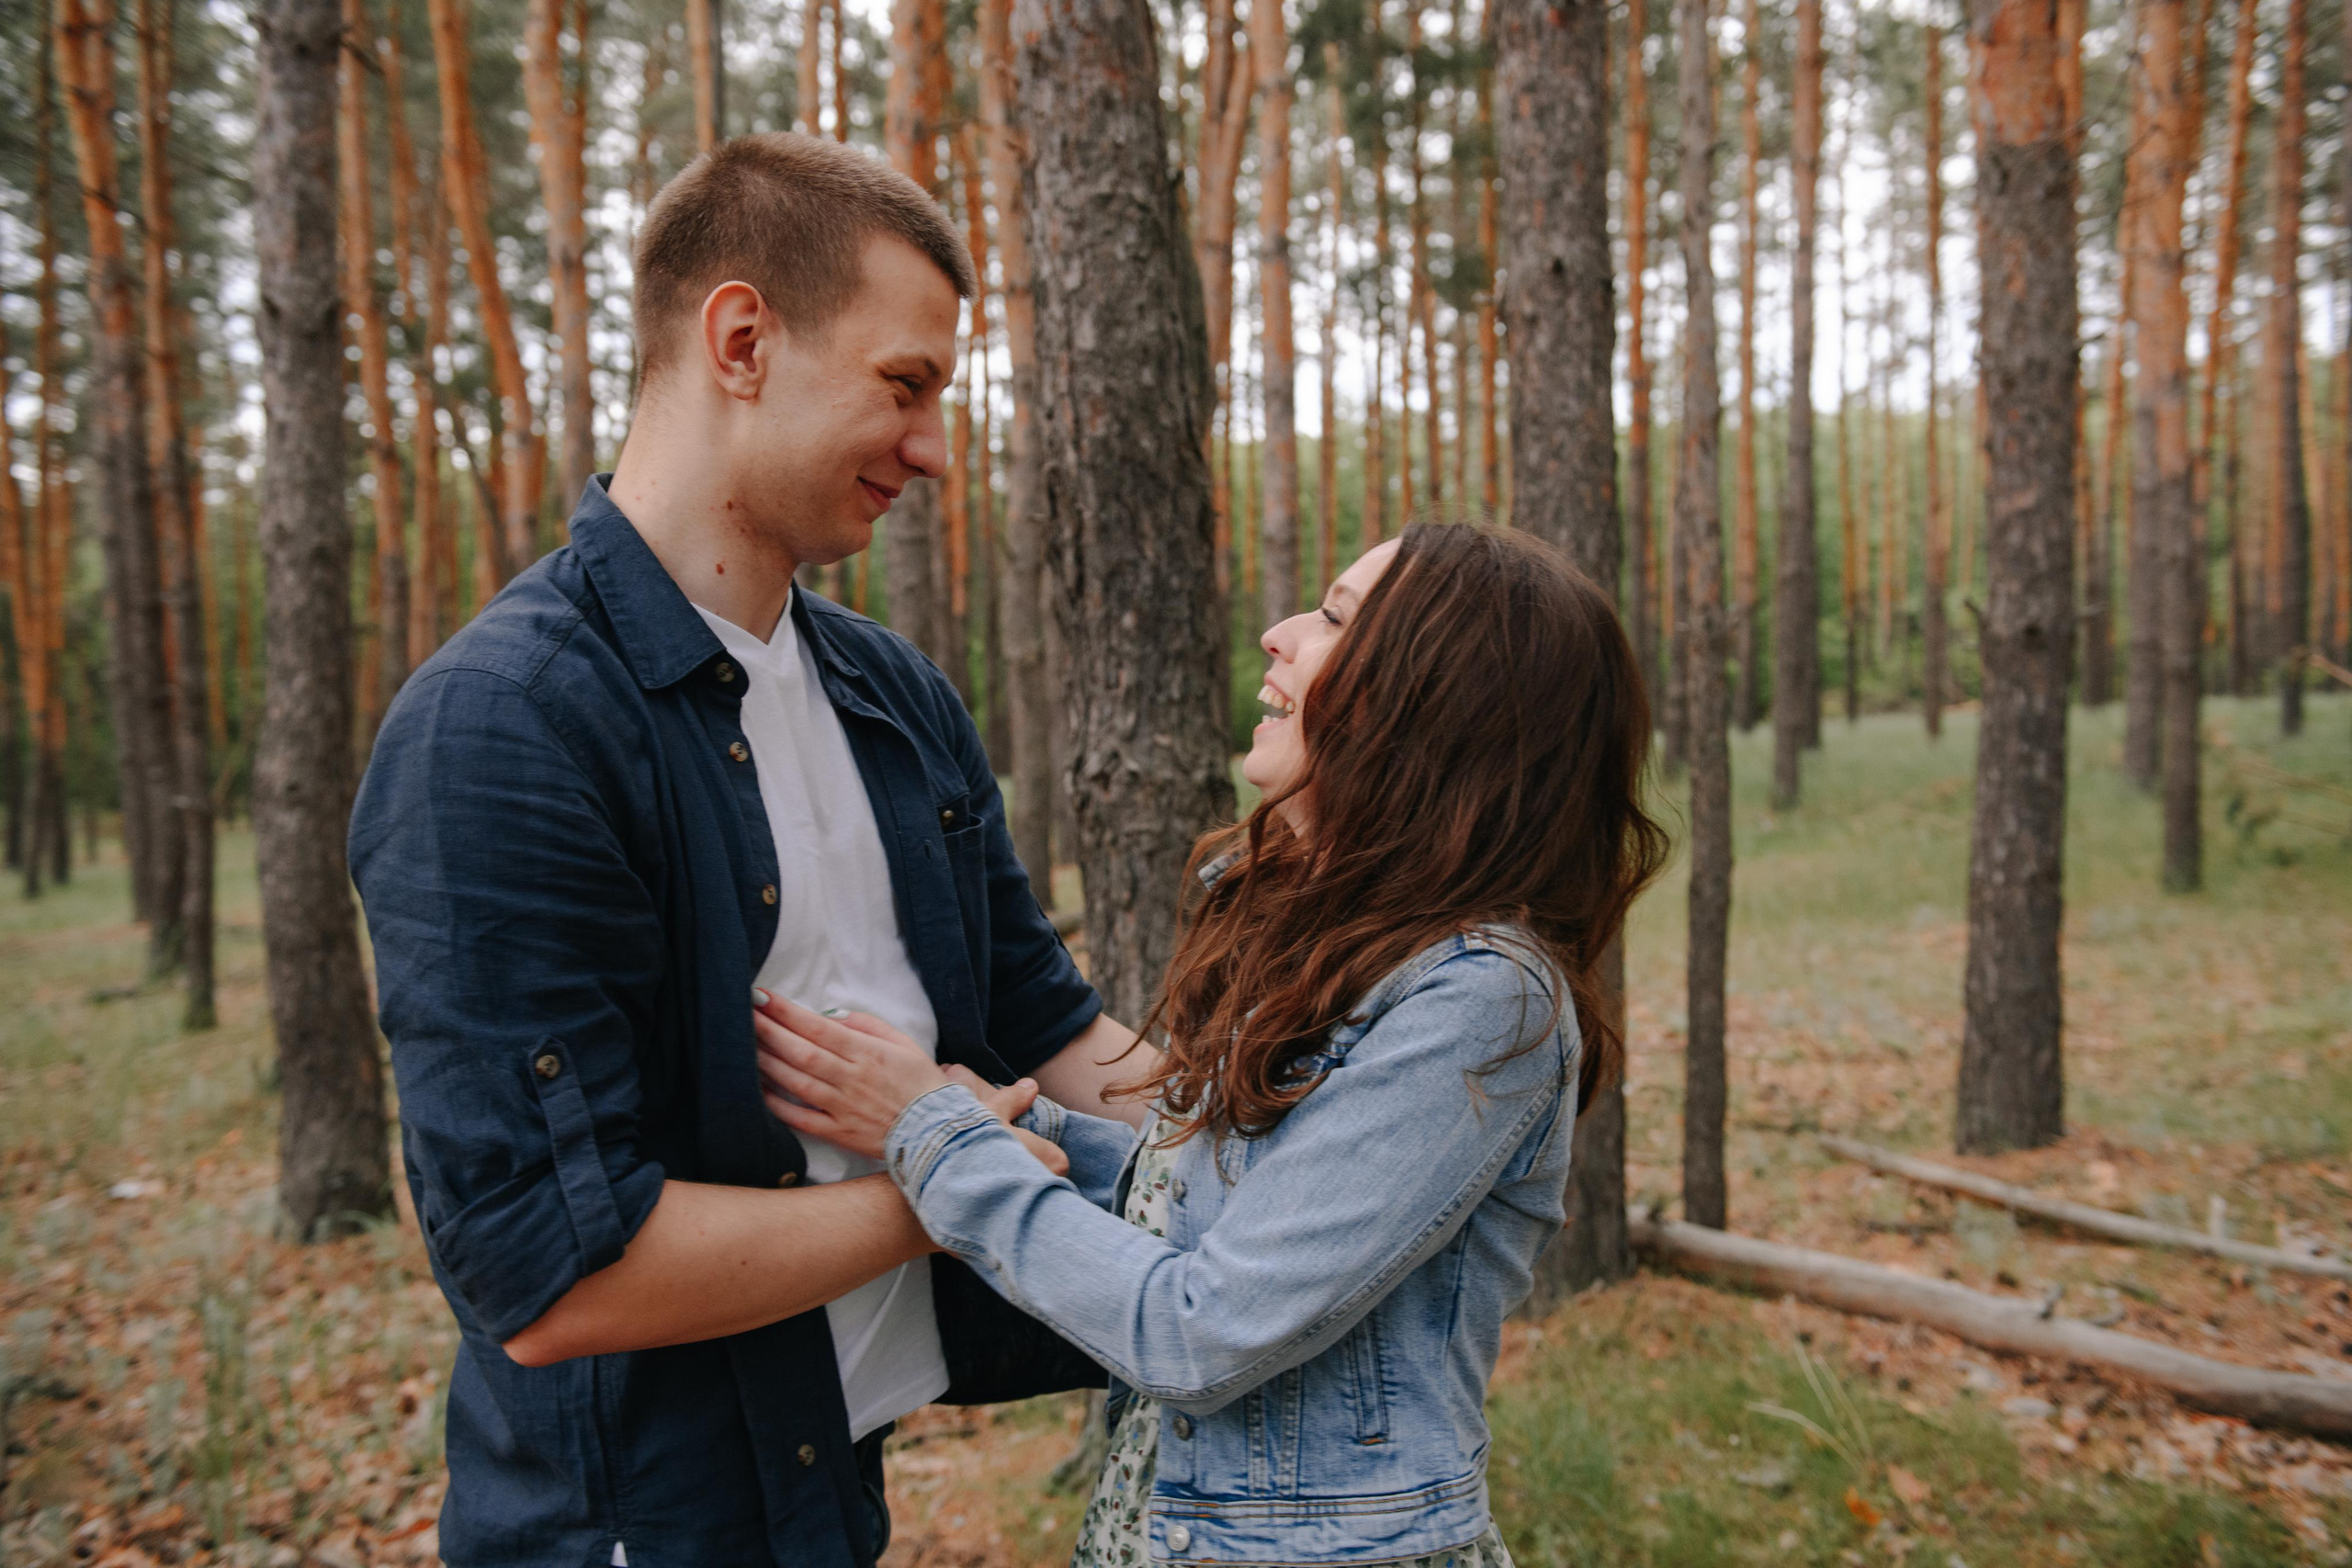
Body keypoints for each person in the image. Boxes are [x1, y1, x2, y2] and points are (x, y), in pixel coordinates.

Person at [348, 133, 1142, 1568]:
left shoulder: (894, 696)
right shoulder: (507, 727)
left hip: (834, 1483)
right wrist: (949, 1180)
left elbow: (1053, 1025)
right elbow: (553, 1276)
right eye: (904, 384)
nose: (933, 448)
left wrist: (1301, 1123)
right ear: (741, 340)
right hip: (641, 1530)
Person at [756, 521, 1669, 1566]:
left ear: (1440, 699)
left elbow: (1202, 1329)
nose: (1279, 633)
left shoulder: (1482, 1000)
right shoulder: (1342, 941)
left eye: (1335, 618)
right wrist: (1018, 1128)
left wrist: (931, 1138)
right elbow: (1220, 1211)